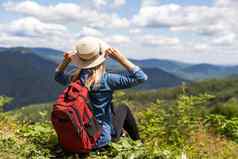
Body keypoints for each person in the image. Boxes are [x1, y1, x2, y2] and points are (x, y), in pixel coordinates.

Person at [54, 36, 148, 149]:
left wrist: (66, 61)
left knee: (112, 109)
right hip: (100, 138)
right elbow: (141, 77)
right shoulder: (107, 80)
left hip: (80, 135)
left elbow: (58, 76)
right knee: (123, 108)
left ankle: (124, 136)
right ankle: (138, 144)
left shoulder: (75, 79)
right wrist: (121, 59)